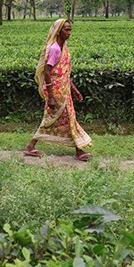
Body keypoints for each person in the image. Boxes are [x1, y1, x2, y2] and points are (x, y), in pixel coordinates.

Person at [23, 19, 92, 161]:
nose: (69, 33)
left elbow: (64, 73)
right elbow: (47, 72)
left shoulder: (64, 47)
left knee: (51, 119)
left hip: (64, 90)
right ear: (58, 31)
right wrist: (51, 96)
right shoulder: (55, 49)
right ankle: (79, 150)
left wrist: (74, 90)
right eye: (67, 30)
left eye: (70, 30)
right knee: (69, 118)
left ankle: (31, 146)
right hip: (56, 91)